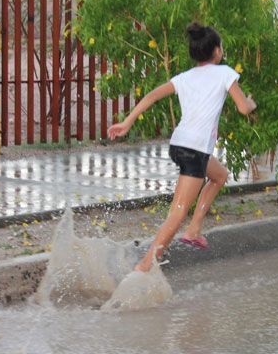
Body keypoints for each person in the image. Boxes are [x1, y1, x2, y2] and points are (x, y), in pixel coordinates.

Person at [108, 22, 257, 272]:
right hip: (195, 150)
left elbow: (151, 96)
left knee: (219, 175)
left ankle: (194, 229)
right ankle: (144, 267)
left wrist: (127, 121)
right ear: (217, 51)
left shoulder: (185, 78)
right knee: (177, 212)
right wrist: (251, 103)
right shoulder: (225, 73)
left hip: (180, 145)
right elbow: (243, 108)